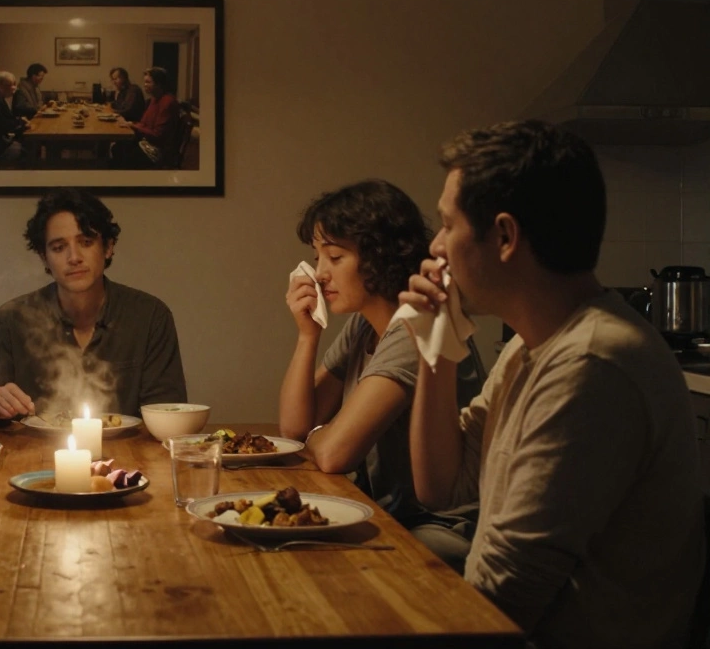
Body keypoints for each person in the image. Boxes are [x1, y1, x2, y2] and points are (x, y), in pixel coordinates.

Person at [400, 119, 704, 648]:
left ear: (504, 236)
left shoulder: (592, 363)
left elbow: (498, 603)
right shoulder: (531, 344)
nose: (436, 245)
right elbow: (443, 487)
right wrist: (435, 346)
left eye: (448, 225)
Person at [278, 179, 483, 571]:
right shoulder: (363, 325)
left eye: (335, 257)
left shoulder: (414, 323)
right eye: (317, 257)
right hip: (392, 513)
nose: (320, 273)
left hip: (439, 528)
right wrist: (308, 335)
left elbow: (335, 453)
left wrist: (323, 435)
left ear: (380, 256)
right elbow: (294, 427)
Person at [0, 188, 186, 419]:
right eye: (59, 247)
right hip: (32, 453)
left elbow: (170, 417)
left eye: (86, 241)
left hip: (130, 453)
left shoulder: (149, 317)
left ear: (108, 247)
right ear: (44, 257)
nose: (74, 257)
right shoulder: (10, 320)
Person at [110, 66, 180, 168]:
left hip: (157, 151)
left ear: (159, 84)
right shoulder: (154, 99)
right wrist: (133, 124)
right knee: (117, 148)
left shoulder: (167, 102)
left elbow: (158, 135)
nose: (145, 85)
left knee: (120, 152)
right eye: (145, 82)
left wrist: (133, 125)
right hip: (148, 142)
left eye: (148, 82)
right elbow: (144, 123)